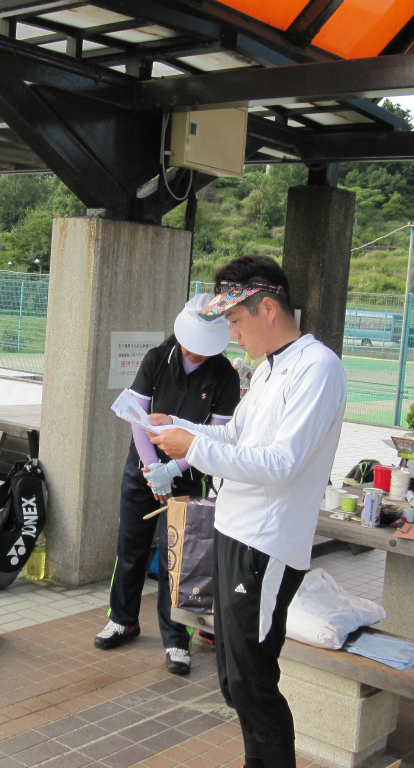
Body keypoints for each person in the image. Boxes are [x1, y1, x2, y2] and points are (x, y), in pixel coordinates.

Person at [149, 256, 347, 768]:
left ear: (268, 308)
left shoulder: (317, 367)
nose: (232, 334)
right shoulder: (268, 370)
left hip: (268, 543)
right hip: (234, 530)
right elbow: (234, 436)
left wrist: (192, 448)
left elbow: (281, 464)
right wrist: (182, 429)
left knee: (252, 680)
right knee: (233, 675)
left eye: (236, 321)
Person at [94, 293, 240, 675]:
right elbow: (136, 415)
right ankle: (122, 619)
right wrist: (151, 469)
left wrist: (173, 470)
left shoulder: (225, 375)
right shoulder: (157, 358)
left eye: (203, 348)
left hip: (189, 476)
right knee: (130, 548)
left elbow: (218, 435)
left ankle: (177, 639)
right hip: (142, 470)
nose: (194, 353)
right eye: (191, 345)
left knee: (181, 560)